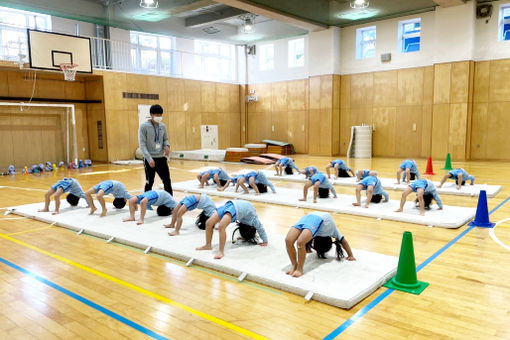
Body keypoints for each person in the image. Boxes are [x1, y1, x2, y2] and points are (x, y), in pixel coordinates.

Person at [285, 212, 355, 277]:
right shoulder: (333, 231)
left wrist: (350, 255)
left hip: (308, 216)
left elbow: (306, 237)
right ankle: (297, 267)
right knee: (300, 242)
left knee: (289, 240)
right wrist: (350, 255)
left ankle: (297, 267)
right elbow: (344, 241)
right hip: (320, 218)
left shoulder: (317, 233)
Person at [196, 200, 268, 259]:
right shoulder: (254, 221)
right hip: (231, 205)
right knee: (208, 223)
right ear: (252, 228)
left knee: (221, 226)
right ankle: (208, 245)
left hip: (234, 208)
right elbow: (260, 229)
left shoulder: (246, 221)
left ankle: (221, 251)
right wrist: (265, 240)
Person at [139, 104, 173, 195]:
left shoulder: (163, 126)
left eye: (160, 115)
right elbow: (142, 145)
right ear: (151, 114)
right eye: (156, 115)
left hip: (161, 158)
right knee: (149, 181)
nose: (159, 117)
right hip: (150, 159)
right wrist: (149, 159)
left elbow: (165, 139)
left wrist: (167, 146)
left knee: (167, 181)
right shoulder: (144, 127)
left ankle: (170, 202)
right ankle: (146, 201)